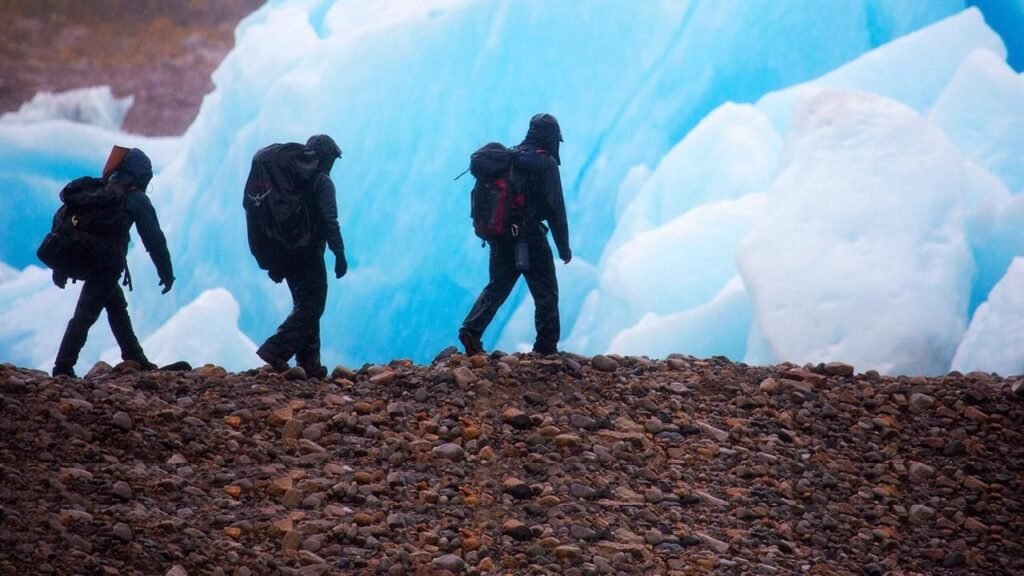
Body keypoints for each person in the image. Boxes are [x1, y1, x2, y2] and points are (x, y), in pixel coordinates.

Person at [52, 148, 174, 377]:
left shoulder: (96, 191)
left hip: (87, 259)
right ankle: (62, 368)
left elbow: (64, 227)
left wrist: (60, 268)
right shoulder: (135, 198)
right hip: (107, 265)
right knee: (85, 315)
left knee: (116, 307)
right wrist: (166, 271)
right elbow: (154, 238)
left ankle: (133, 355)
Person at [459, 113, 571, 356]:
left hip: (500, 238)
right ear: (551, 137)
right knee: (546, 291)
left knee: (497, 286)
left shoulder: (509, 158)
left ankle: (472, 330)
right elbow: (555, 208)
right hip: (530, 237)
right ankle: (545, 347)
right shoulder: (545, 163)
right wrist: (564, 248)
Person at [256, 134, 347, 378]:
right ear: (326, 157)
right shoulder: (322, 182)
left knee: (306, 305)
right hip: (308, 253)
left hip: (288, 252)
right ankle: (274, 350)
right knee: (312, 305)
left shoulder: (293, 182)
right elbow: (330, 220)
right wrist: (339, 253)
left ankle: (310, 365)